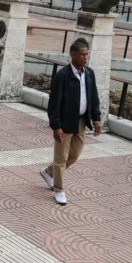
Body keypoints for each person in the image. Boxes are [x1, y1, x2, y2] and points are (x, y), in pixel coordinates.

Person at [40, 39, 101, 206]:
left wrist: (97, 118)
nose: (85, 57)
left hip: (81, 121)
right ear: (72, 54)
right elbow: (54, 104)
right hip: (64, 123)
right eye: (82, 54)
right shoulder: (62, 76)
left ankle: (48, 172)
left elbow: (93, 97)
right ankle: (58, 190)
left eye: (87, 54)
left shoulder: (89, 73)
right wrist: (56, 126)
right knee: (61, 158)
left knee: (74, 154)